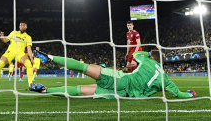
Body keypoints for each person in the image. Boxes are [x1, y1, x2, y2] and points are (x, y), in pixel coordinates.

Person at [29, 50, 197, 99]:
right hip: (122, 93)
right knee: (80, 90)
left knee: (82, 66)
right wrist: (190, 94)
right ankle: (45, 89)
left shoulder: (147, 60)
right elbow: (178, 94)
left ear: (153, 57)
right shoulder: (165, 79)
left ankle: (48, 57)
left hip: (120, 78)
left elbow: (137, 54)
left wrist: (147, 53)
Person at [0, 21, 34, 91]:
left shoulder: (28, 37)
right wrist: (2, 37)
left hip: (20, 53)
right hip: (10, 52)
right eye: (20, 25)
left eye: (23, 25)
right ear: (19, 26)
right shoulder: (13, 32)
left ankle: (30, 85)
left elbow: (29, 49)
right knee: (0, 65)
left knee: (29, 64)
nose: (22, 26)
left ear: (26, 27)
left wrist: (31, 59)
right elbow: (5, 41)